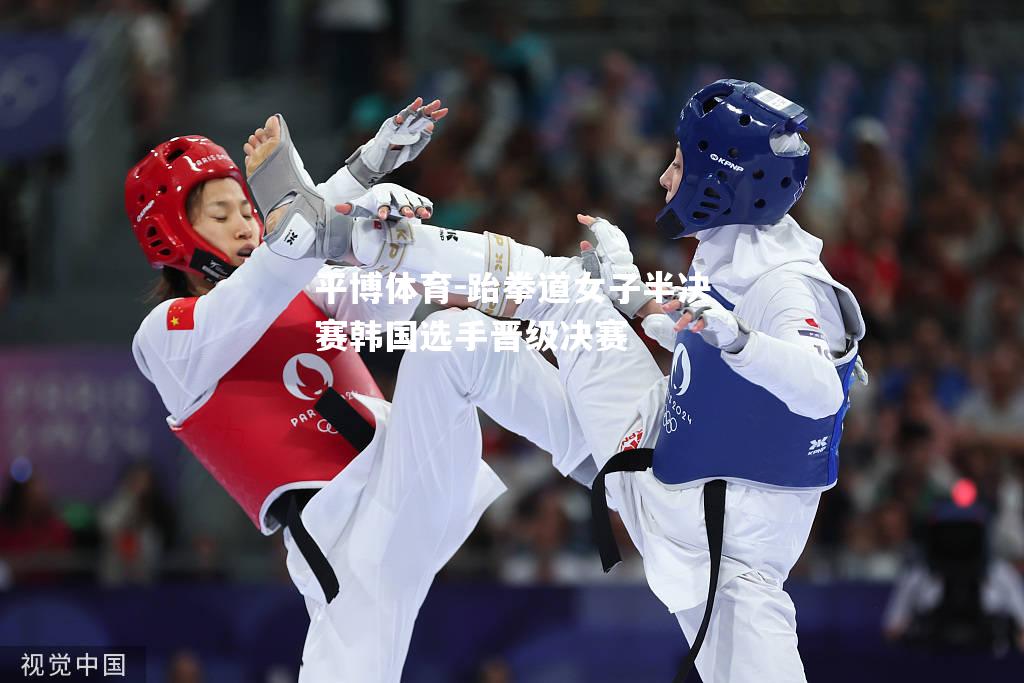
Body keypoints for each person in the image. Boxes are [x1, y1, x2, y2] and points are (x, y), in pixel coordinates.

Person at [308, 78, 868, 682]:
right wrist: (629, 293)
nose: (664, 179)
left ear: (723, 180)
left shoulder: (789, 286)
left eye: (679, 164)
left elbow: (818, 390)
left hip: (695, 511)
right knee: (466, 341)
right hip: (684, 477)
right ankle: (389, 246)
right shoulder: (742, 252)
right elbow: (710, 352)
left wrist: (738, 339)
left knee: (567, 295)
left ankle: (385, 241)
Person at [128, 100, 589, 682]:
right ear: (170, 235)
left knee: (455, 335)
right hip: (351, 546)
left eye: (248, 207)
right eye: (221, 214)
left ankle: (608, 463)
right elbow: (273, 271)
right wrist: (358, 178)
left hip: (409, 472)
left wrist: (379, 228)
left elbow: (384, 303)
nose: (246, 223)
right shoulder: (166, 338)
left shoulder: (301, 281)